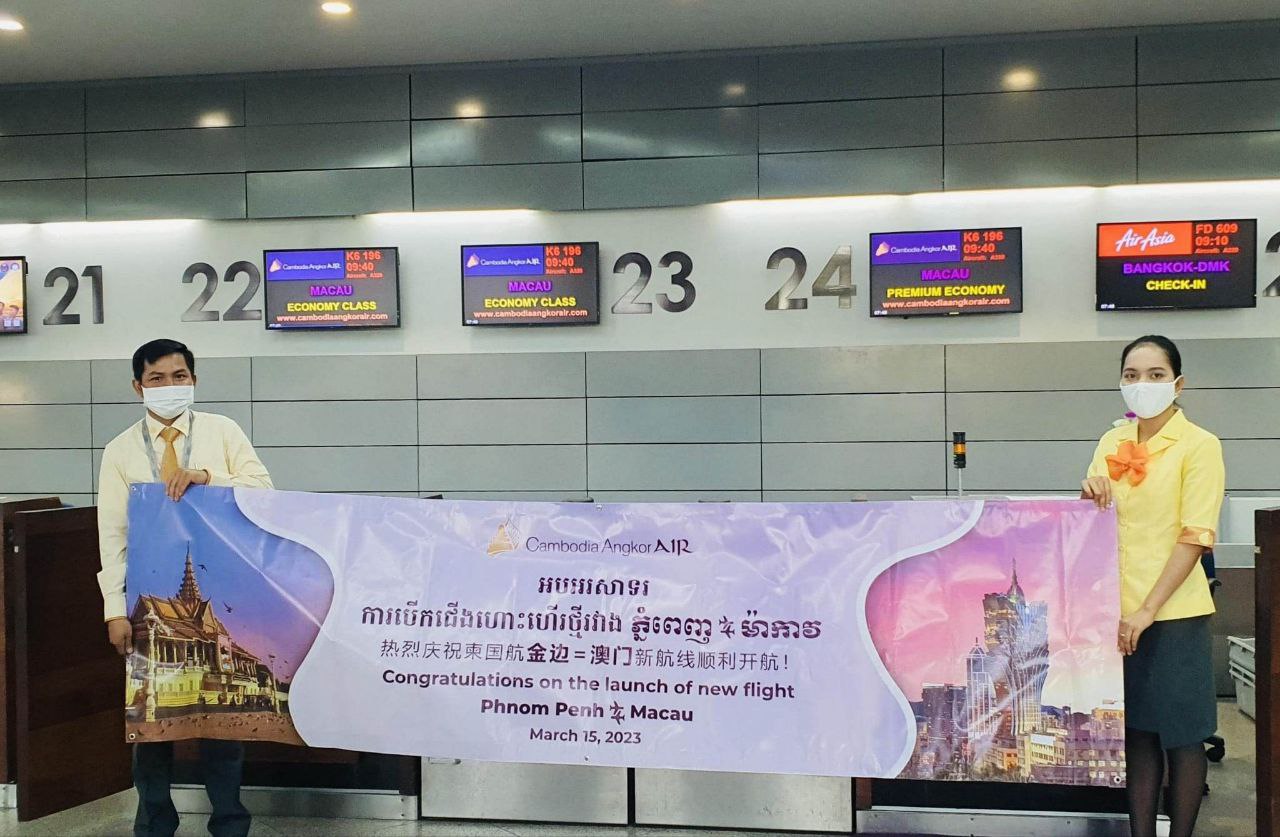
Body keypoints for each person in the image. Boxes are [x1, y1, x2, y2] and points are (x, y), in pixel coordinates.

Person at [98, 338, 273, 837]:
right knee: (151, 727)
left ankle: (230, 822)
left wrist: (207, 476)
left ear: (193, 380)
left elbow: (264, 491)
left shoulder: (223, 431)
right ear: (138, 387)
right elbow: (112, 535)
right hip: (148, 598)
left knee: (222, 728)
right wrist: (114, 610)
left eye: (179, 376)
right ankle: (155, 823)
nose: (169, 386)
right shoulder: (120, 450)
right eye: (157, 379)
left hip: (219, 586)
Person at [1081, 335, 1224, 837]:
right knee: (1137, 734)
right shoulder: (1110, 443)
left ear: (1178, 384)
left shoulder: (1200, 445)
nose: (1142, 384)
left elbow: (1195, 536)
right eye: (1132, 375)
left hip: (1173, 612)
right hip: (1117, 612)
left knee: (1182, 738)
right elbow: (1091, 522)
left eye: (1156, 375)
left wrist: (1147, 611)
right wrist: (1088, 492)